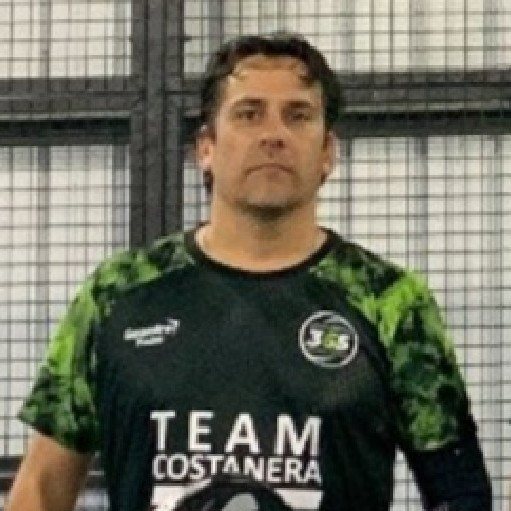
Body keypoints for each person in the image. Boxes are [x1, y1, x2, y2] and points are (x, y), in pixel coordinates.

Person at [6, 32, 492, 511]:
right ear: (206, 148)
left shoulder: (390, 301)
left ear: (328, 152)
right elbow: (42, 490)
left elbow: (460, 493)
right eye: (248, 113)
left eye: (297, 115)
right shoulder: (118, 293)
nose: (273, 135)